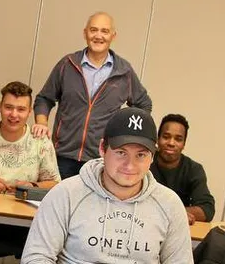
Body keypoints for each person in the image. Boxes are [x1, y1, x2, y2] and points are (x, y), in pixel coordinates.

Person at [20, 107, 195, 264]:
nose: (130, 165)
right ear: (103, 148)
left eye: (141, 155)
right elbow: (34, 261)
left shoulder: (169, 204)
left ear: (153, 155)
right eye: (121, 152)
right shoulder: (66, 193)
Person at [32, 12, 152, 179]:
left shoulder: (124, 71)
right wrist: (41, 123)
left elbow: (143, 104)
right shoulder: (67, 65)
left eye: (104, 31)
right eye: (93, 30)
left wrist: (127, 134)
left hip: (101, 160)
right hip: (62, 157)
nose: (98, 36)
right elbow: (44, 98)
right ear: (85, 33)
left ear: (113, 36)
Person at [150, 114, 215, 224]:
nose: (171, 143)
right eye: (166, 137)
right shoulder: (145, 161)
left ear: (184, 144)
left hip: (176, 229)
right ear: (158, 139)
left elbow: (207, 210)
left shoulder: (194, 169)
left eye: (178, 139)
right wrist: (176, 212)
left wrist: (170, 212)